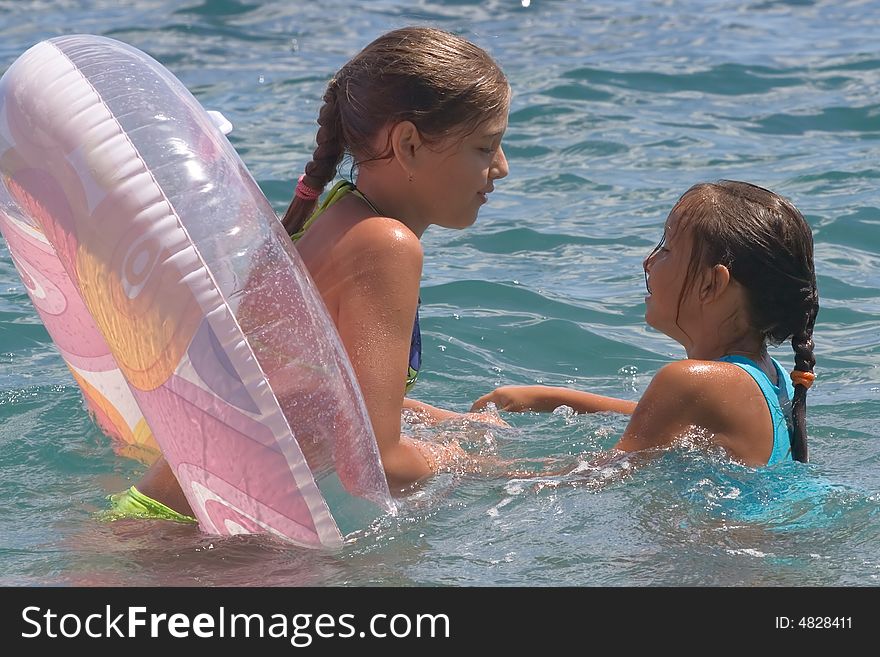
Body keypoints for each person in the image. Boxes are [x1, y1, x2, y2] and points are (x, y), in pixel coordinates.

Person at [113, 26, 511, 520]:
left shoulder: (331, 216)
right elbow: (376, 466)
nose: (502, 167)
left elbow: (311, 398)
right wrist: (503, 470)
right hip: (194, 544)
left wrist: (435, 419)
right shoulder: (386, 247)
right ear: (408, 144)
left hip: (169, 515)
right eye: (485, 147)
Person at [472, 181, 818, 468]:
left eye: (666, 249)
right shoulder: (768, 377)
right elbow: (654, 415)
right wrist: (551, 397)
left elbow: (599, 474)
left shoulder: (692, 382)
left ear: (712, 284)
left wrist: (460, 466)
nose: (648, 260)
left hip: (712, 551)